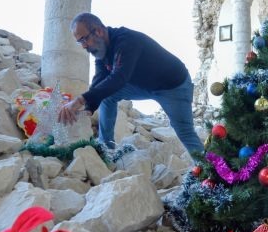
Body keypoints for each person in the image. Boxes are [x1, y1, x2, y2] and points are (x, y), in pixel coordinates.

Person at [58, 12, 203, 157]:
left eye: (84, 39)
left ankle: (215, 174)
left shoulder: (126, 40)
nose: (83, 46)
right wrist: (88, 108)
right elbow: (99, 81)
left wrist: (79, 101)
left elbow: (119, 77)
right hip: (143, 85)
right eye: (79, 42)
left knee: (185, 132)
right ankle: (105, 149)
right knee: (107, 95)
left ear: (99, 31)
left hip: (173, 87)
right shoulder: (100, 50)